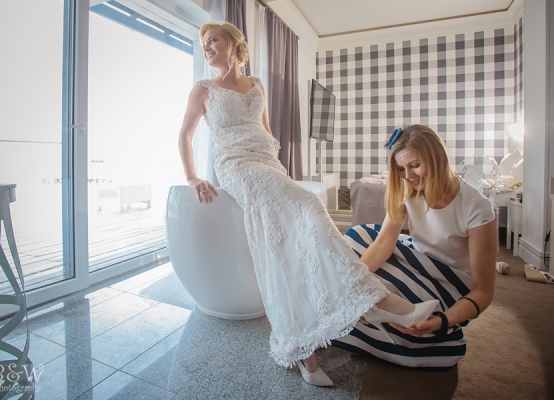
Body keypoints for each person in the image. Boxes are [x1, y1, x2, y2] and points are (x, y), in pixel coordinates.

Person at [178, 22, 438, 386]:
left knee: (288, 246)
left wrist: (279, 171)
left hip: (268, 165)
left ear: (233, 44)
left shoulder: (258, 86)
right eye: (203, 43)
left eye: (212, 41)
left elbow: (267, 133)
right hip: (236, 166)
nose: (206, 48)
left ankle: (303, 348)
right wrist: (192, 177)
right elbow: (185, 135)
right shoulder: (203, 89)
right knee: (311, 206)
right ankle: (378, 302)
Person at [333, 124, 497, 369]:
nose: (408, 175)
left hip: (448, 281)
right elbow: (384, 243)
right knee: (357, 235)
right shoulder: (408, 190)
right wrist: (353, 286)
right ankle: (373, 303)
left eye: (415, 165)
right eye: (401, 169)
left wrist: (443, 320)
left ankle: (385, 310)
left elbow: (483, 291)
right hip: (418, 259)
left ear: (438, 158)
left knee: (380, 293)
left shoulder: (475, 206)